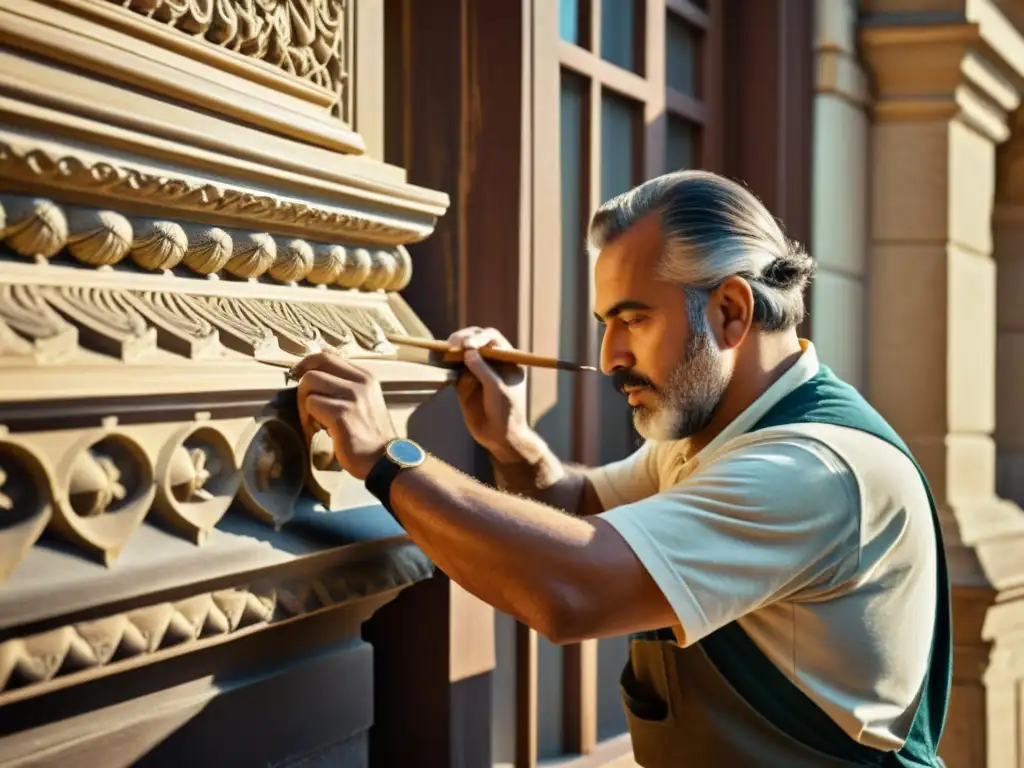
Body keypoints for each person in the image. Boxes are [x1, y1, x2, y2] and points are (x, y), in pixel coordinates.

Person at [291, 170, 950, 767]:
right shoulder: (719, 428)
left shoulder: (809, 472)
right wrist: (511, 440)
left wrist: (384, 454)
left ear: (730, 311)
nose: (609, 358)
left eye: (632, 320)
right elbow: (581, 508)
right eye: (607, 324)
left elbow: (572, 588)